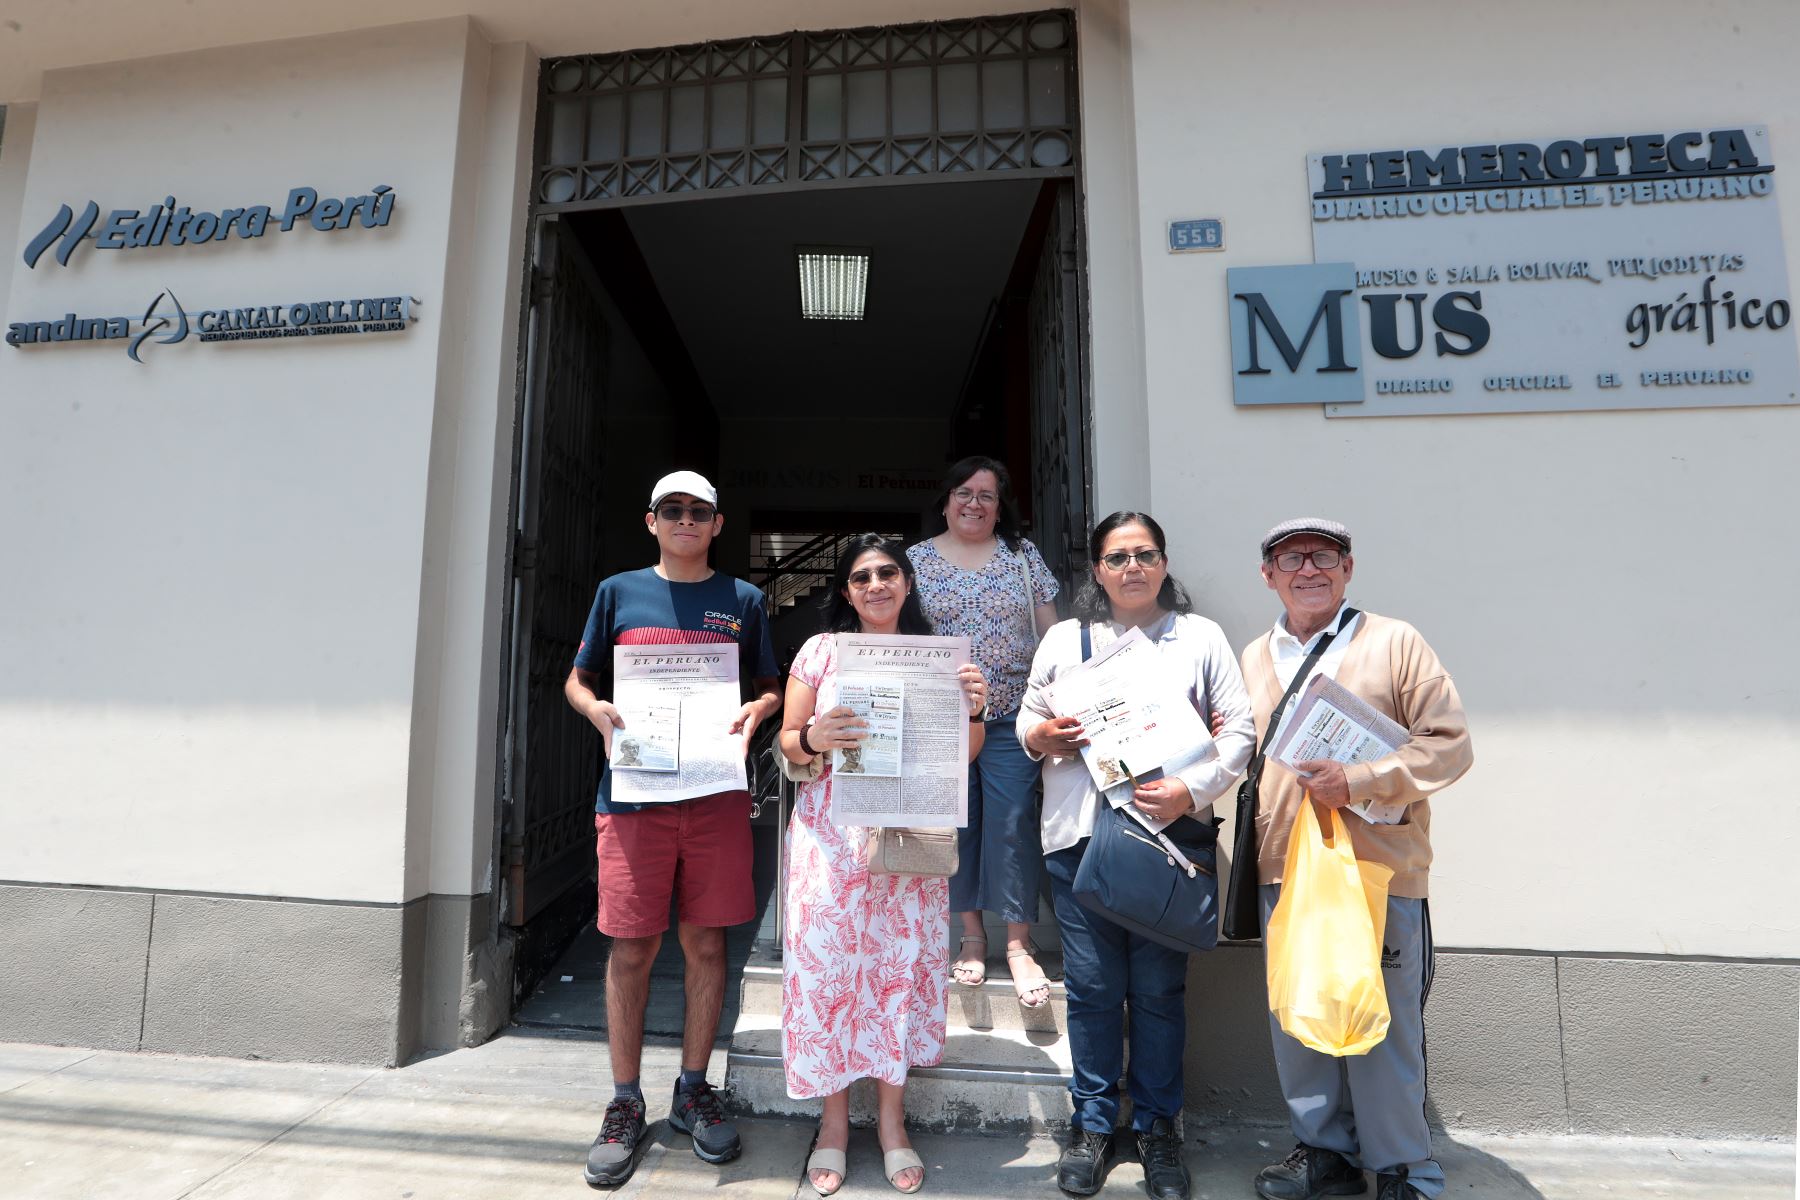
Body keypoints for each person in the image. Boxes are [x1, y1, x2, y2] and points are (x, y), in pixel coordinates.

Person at [1019, 512, 1256, 1200]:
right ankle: (1092, 1127)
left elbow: (1238, 728)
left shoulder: (1199, 637)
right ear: (1097, 569)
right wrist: (1046, 739)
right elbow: (1026, 720)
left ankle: (1158, 1130)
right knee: (1092, 993)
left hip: (1167, 845)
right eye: (1117, 557)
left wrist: (1193, 788)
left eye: (1144, 555)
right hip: (1080, 842)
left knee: (1158, 994)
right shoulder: (1067, 639)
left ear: (1163, 562)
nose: (1132, 568)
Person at [1242, 519, 1472, 1200]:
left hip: (1378, 866)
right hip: (1286, 866)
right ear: (1269, 574)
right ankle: (1324, 1155)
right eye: (1291, 557)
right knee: (1300, 1014)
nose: (1307, 568)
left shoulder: (1395, 641)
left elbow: (1450, 745)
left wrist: (1361, 780)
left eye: (1324, 556)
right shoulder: (1255, 655)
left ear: (1347, 569)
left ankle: (1404, 1169)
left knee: (1386, 1020)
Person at [563, 470, 782, 1189]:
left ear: (718, 524)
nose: (686, 520)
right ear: (651, 519)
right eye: (673, 510)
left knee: (705, 942)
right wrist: (596, 712)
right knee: (631, 946)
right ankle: (625, 1101)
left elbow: (770, 685)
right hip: (632, 797)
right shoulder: (618, 591)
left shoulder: (743, 600)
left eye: (700, 511)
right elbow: (579, 679)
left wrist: (759, 712)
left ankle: (694, 1088)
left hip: (714, 794)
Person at [778, 534, 991, 1197]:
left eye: (887, 572)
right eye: (862, 576)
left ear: (907, 583)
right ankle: (835, 1125)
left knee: (898, 977)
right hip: (829, 841)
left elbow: (967, 752)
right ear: (845, 591)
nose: (875, 584)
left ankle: (894, 1123)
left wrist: (975, 708)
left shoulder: (937, 657)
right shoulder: (820, 652)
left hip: (907, 842)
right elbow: (787, 745)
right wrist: (813, 738)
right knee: (828, 975)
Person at [906, 456, 1059, 1008]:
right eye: (964, 492)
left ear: (1001, 505)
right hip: (938, 719)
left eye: (987, 495)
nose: (974, 503)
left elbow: (1052, 636)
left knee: (1012, 821)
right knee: (957, 825)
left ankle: (1018, 944)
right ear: (946, 499)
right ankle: (971, 936)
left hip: (1013, 714)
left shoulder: (1023, 556)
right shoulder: (914, 562)